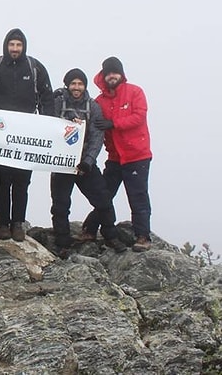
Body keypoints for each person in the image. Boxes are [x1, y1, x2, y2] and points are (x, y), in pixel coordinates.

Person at [0, 28, 55, 242]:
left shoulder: (35, 68)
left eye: (19, 45)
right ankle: (3, 223)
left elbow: (47, 97)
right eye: (11, 45)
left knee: (22, 182)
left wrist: (47, 125)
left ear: (24, 47)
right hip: (1, 135)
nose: (15, 49)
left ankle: (18, 224)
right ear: (6, 46)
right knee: (3, 182)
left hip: (27, 136)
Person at [50, 69, 126, 255]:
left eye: (80, 84)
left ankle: (111, 236)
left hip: (85, 163)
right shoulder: (57, 103)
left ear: (85, 86)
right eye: (73, 84)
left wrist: (88, 161)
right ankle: (62, 242)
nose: (76, 87)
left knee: (103, 199)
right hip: (61, 163)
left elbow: (97, 137)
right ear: (67, 85)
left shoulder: (93, 107)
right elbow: (47, 125)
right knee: (60, 205)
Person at [85, 57, 153, 252]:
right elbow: (92, 125)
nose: (111, 76)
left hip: (137, 156)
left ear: (121, 75)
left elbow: (139, 116)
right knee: (103, 195)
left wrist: (113, 123)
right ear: (103, 76)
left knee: (137, 196)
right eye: (108, 73)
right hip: (115, 158)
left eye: (115, 72)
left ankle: (142, 236)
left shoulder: (135, 92)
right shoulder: (99, 101)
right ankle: (90, 228)